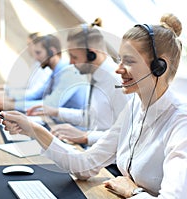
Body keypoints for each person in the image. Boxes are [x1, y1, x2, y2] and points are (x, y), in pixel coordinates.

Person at [0, 13, 187, 199]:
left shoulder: (182, 123)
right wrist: (34, 130)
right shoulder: (134, 108)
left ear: (160, 66)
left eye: (129, 61)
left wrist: (134, 192)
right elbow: (84, 165)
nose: (118, 69)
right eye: (119, 60)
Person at [26, 18, 132, 147]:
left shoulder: (117, 82)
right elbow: (91, 117)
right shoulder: (98, 76)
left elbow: (128, 134)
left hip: (111, 162)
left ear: (92, 54)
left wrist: (85, 137)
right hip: (97, 152)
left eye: (74, 57)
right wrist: (55, 111)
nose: (71, 62)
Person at [0, 34, 87, 112]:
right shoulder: (55, 72)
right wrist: (9, 100)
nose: (36, 58)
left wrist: (12, 105)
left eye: (38, 53)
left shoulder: (69, 72)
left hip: (73, 131)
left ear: (52, 52)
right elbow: (37, 94)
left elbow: (51, 105)